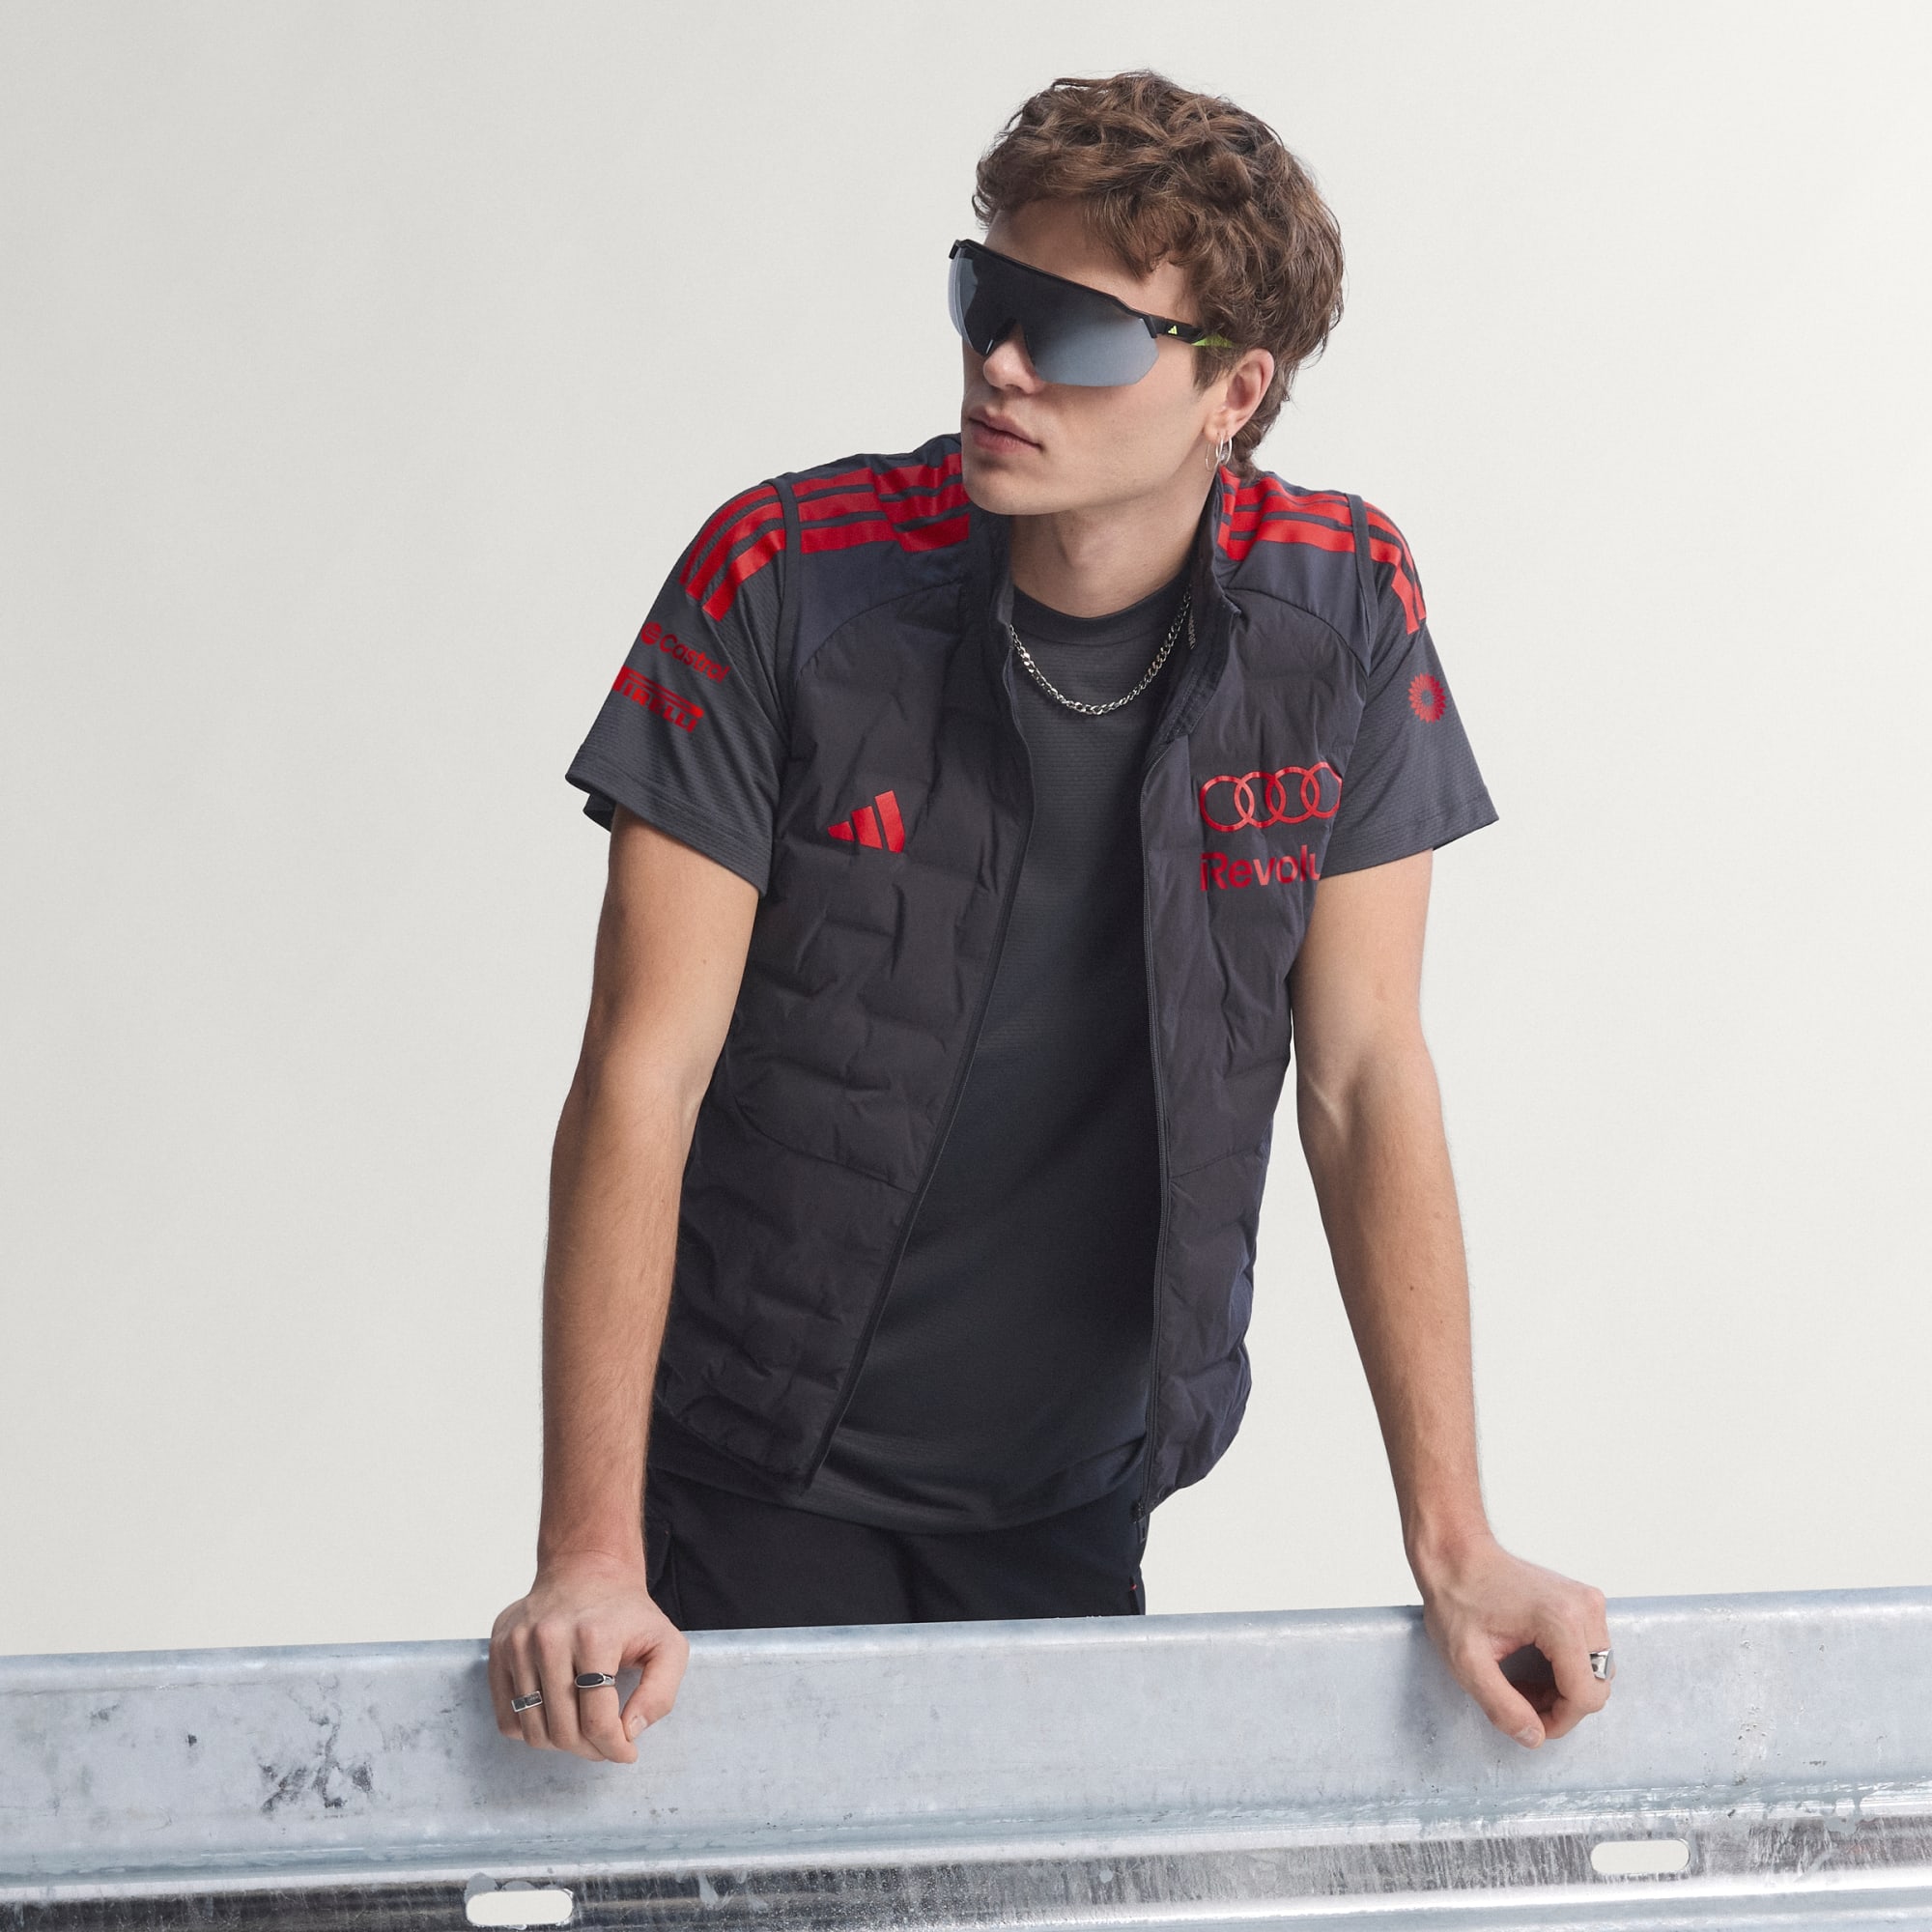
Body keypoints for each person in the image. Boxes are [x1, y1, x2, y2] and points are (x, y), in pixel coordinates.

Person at [488, 71, 1612, 1767]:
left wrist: (1457, 1547)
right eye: (987, 299)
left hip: (1072, 1495)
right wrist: (589, 1553)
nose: (1003, 365)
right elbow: (643, 1068)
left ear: (1236, 389)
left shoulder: (1342, 613)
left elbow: (1366, 1073)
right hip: (745, 1472)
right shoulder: (782, 581)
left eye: (1078, 331)